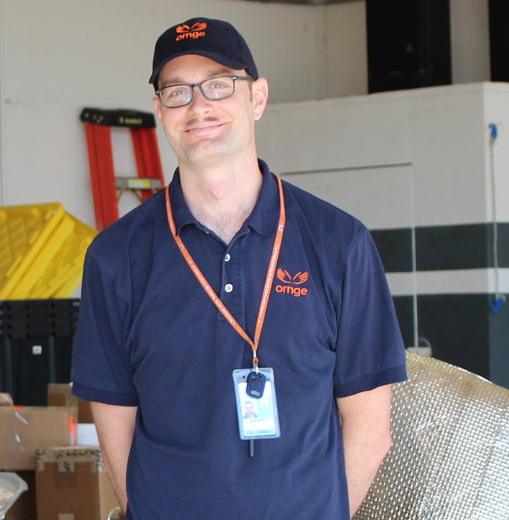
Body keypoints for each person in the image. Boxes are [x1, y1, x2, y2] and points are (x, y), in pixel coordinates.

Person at [71, 17, 407, 520]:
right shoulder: (115, 257)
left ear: (257, 97)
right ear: (160, 111)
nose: (199, 105)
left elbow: (369, 429)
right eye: (177, 92)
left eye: (219, 85)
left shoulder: (339, 243)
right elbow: (114, 423)